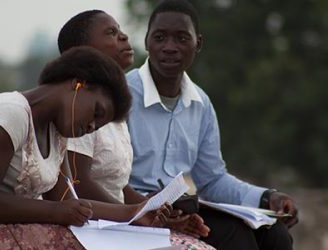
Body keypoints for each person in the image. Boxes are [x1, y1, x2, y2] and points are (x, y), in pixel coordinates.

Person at [0, 46, 154, 249]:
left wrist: (132, 214)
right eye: (96, 112)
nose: (91, 126)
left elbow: (65, 200)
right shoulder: (11, 113)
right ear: (79, 83)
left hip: (8, 229)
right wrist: (55, 212)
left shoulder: (56, 134)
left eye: (98, 127)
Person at [125, 0, 299, 249]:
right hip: (136, 209)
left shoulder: (200, 104)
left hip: (182, 209)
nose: (170, 47)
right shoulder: (123, 95)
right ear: (147, 41)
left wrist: (267, 196)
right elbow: (109, 175)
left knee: (276, 234)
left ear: (199, 44)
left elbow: (212, 180)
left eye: (182, 38)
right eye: (160, 37)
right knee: (236, 237)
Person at [58, 10, 215, 250]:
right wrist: (133, 215)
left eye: (121, 30)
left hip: (120, 223)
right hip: (95, 227)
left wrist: (158, 214)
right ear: (83, 52)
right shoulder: (80, 105)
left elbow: (118, 184)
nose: (123, 37)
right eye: (112, 33)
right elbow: (78, 183)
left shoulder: (114, 108)